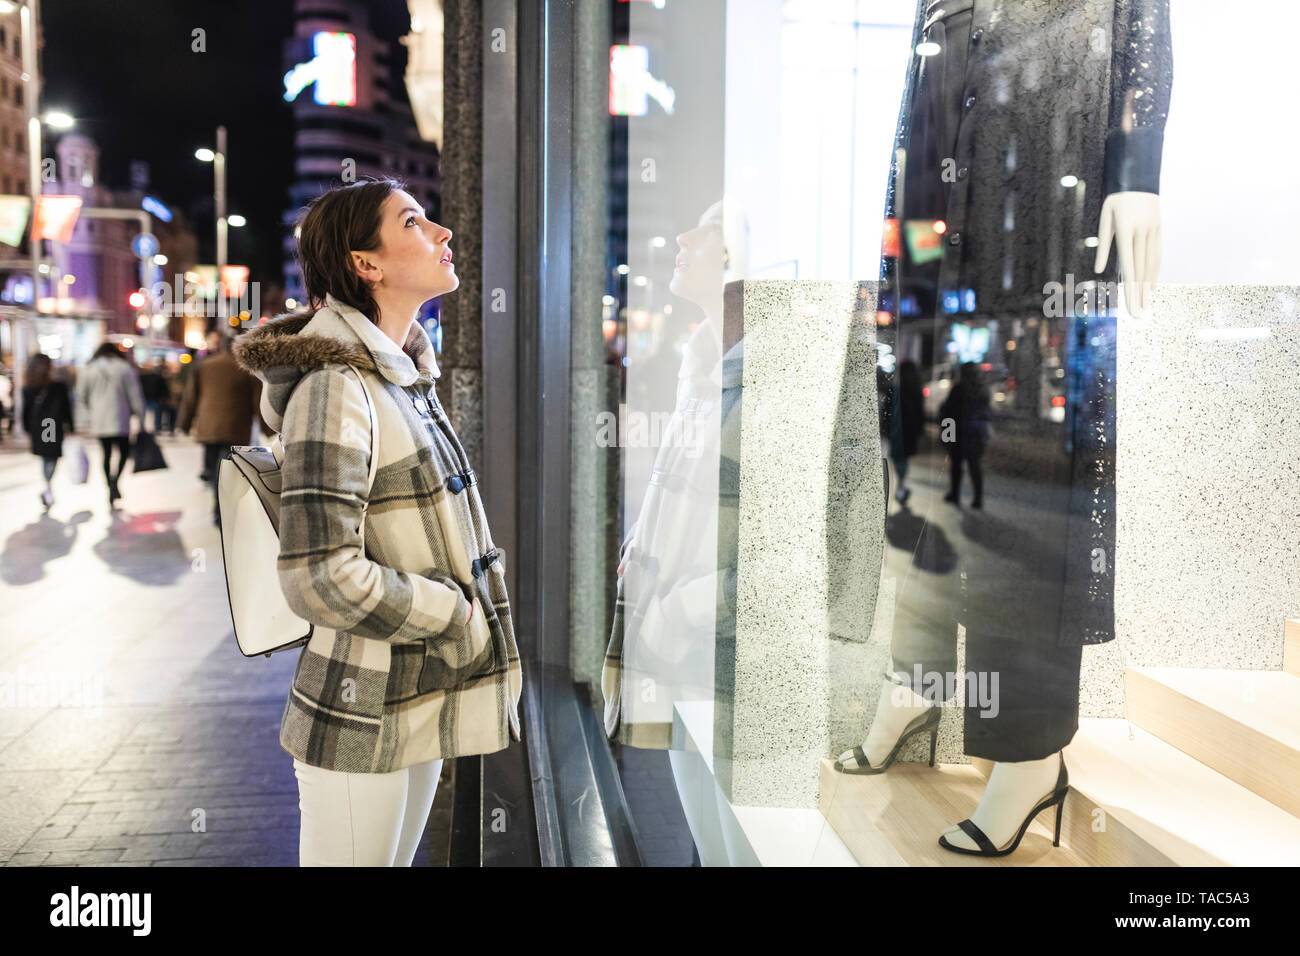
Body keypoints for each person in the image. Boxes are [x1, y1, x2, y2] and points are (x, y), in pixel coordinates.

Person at [231, 177, 523, 867]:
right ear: (367, 263)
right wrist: (451, 612)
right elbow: (320, 577)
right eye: (416, 223)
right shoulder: (340, 389)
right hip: (361, 708)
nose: (443, 233)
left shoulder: (398, 379)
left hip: (409, 694)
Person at [177, 329, 268, 525]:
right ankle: (221, 510)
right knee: (226, 469)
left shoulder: (205, 365)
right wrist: (267, 428)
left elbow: (190, 396)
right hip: (235, 426)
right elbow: (257, 400)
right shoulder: (246, 368)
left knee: (212, 467)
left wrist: (184, 423)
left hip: (208, 425)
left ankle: (216, 502)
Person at [76, 341, 144, 507]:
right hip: (120, 417)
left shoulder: (89, 369)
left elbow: (81, 396)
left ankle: (110, 485)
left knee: (105, 454)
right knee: (124, 452)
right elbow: (135, 394)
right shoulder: (125, 368)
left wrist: (84, 418)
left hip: (99, 419)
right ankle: (114, 483)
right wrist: (140, 417)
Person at [21, 352, 74, 511]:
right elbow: (67, 408)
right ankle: (48, 486)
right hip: (51, 425)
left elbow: (26, 410)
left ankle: (47, 486)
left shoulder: (29, 386)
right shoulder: (58, 386)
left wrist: (27, 428)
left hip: (40, 426)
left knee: (47, 457)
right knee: (51, 457)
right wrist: (71, 426)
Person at [938, 361, 990, 509]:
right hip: (976, 434)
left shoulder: (958, 389)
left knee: (956, 464)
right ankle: (978, 499)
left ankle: (955, 494)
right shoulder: (983, 390)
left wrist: (947, 436)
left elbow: (948, 413)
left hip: (959, 433)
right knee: (975, 465)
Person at [887, 359, 925, 505]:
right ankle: (901, 486)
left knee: (899, 458)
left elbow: (887, 411)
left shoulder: (897, 389)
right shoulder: (915, 390)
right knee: (902, 458)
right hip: (908, 431)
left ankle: (901, 486)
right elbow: (920, 413)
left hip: (899, 430)